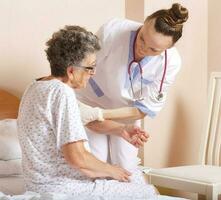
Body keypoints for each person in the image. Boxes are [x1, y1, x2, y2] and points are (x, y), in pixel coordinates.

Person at [17, 25, 156, 198]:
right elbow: (77, 157)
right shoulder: (62, 92)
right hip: (64, 187)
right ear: (71, 71)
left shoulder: (36, 87)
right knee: (148, 192)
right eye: (90, 67)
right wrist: (113, 171)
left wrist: (121, 130)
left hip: (39, 186)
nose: (93, 73)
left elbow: (86, 119)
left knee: (131, 180)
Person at [76, 3, 189, 171]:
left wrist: (104, 117)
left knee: (126, 167)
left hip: (125, 111)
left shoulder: (170, 62)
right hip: (91, 100)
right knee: (95, 163)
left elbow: (144, 108)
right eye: (142, 38)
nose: (142, 48)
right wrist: (89, 113)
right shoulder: (113, 30)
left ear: (168, 49)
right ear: (143, 24)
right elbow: (82, 67)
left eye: (153, 49)